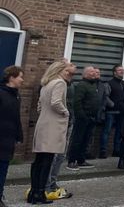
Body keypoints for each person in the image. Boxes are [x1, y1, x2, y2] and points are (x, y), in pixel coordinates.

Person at [29, 60, 75, 205]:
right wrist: (65, 112)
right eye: (67, 70)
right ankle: (40, 194)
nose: (69, 74)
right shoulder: (59, 83)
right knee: (47, 161)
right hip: (53, 126)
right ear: (61, 70)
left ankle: (34, 192)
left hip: (43, 124)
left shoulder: (46, 83)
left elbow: (40, 105)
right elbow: (56, 102)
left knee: (38, 161)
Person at [67, 66, 100, 170]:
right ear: (85, 74)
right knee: (77, 139)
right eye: (91, 72)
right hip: (83, 118)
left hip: (91, 118)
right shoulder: (82, 85)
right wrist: (82, 116)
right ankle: (71, 161)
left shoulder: (93, 85)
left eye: (94, 72)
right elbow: (77, 102)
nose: (94, 73)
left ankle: (81, 160)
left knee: (85, 140)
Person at [0, 66, 23, 207]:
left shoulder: (16, 95)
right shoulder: (1, 94)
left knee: (3, 169)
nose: (22, 79)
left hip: (8, 141)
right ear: (12, 77)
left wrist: (19, 135)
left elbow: (16, 118)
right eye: (20, 76)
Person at [104, 65, 124, 160]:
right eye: (119, 70)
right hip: (111, 112)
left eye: (123, 70)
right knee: (107, 131)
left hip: (121, 112)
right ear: (114, 72)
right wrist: (112, 105)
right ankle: (103, 151)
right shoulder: (109, 83)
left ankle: (116, 150)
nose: (122, 72)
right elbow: (105, 96)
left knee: (119, 132)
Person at [95, 68, 113, 158]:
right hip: (90, 113)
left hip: (100, 112)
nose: (98, 74)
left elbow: (105, 97)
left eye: (99, 73)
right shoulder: (90, 84)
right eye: (96, 72)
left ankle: (91, 153)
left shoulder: (102, 85)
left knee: (94, 133)